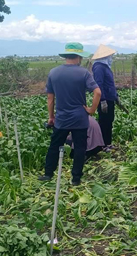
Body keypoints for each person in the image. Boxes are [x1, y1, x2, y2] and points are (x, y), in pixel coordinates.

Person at [39, 42, 102, 186]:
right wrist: (92, 110)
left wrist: (51, 117)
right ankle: (76, 179)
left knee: (55, 145)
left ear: (66, 55)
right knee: (80, 147)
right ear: (78, 57)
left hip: (62, 118)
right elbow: (97, 92)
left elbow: (50, 98)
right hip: (80, 117)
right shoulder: (84, 73)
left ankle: (48, 174)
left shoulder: (54, 72)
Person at [91, 45, 118, 150]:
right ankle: (102, 145)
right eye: (110, 56)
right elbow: (99, 84)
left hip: (110, 99)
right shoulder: (98, 67)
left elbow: (109, 84)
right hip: (105, 100)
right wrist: (102, 100)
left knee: (109, 120)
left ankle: (108, 143)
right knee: (104, 121)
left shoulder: (105, 66)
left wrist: (115, 96)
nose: (111, 58)